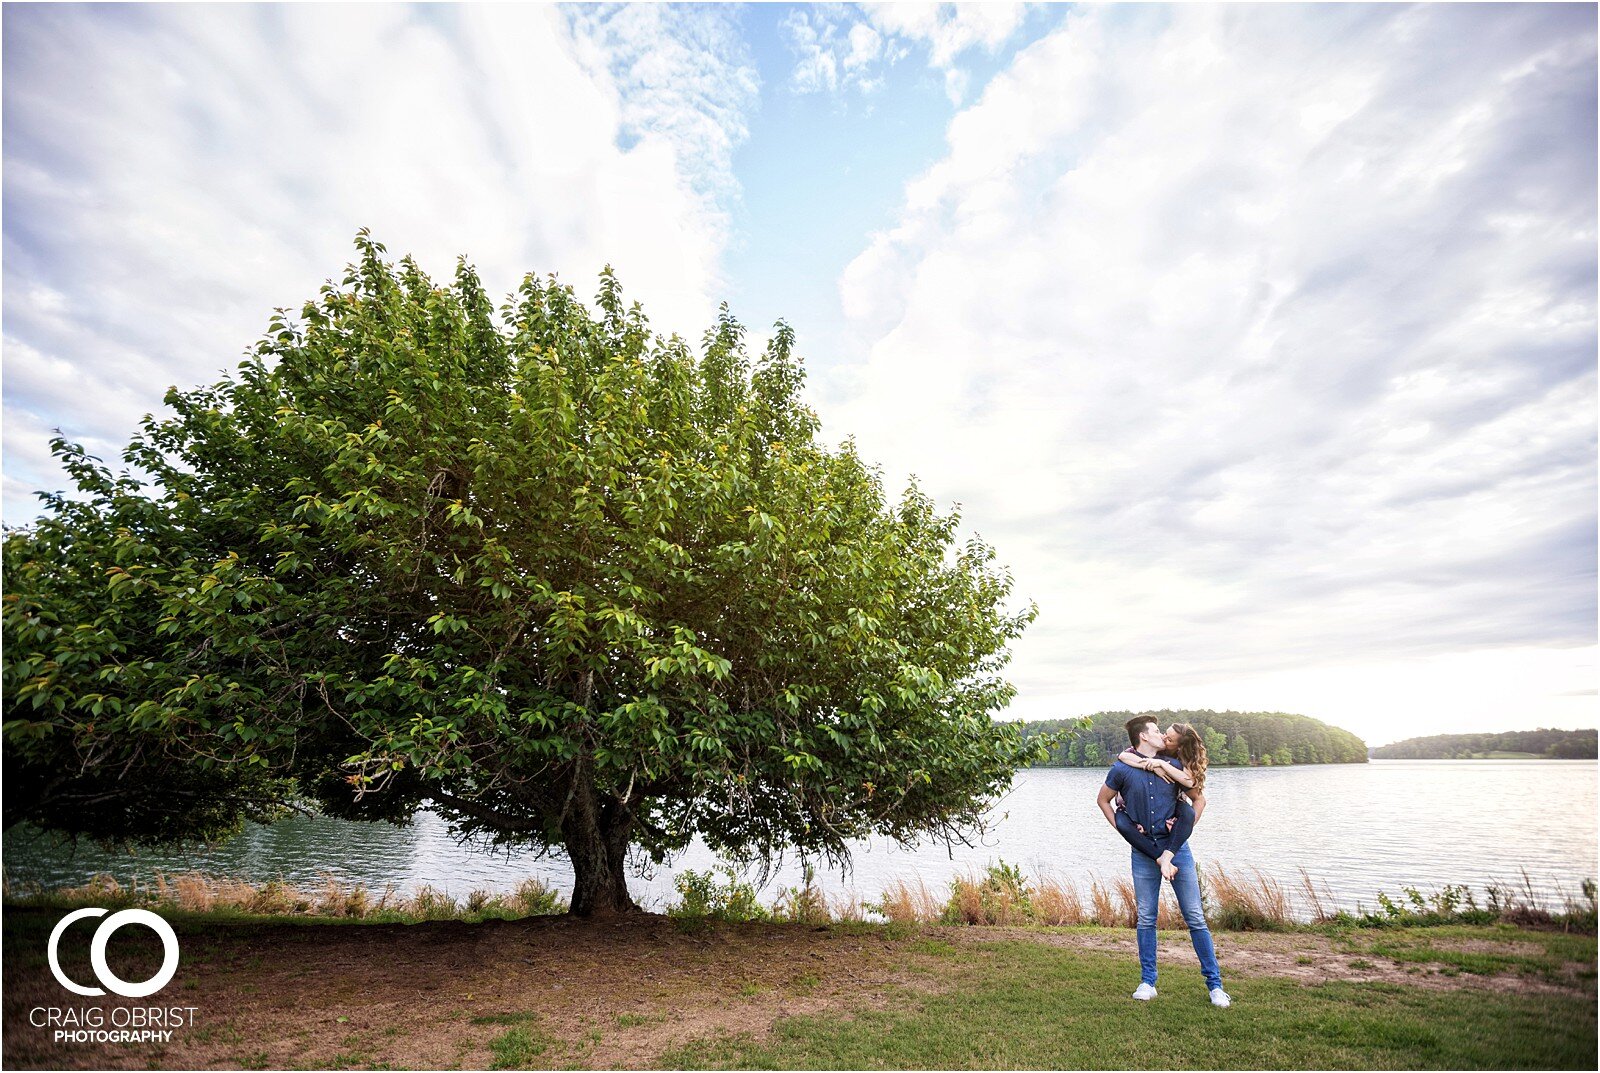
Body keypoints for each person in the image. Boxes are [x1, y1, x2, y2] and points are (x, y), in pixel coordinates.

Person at [1096, 716, 1230, 1007]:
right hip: (1143, 852)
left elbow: (1198, 801)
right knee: (1146, 918)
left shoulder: (1175, 767)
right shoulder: (1121, 769)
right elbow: (1103, 800)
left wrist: (1183, 831)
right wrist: (1122, 829)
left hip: (1176, 849)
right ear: (1143, 737)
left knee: (1195, 916)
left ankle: (1215, 986)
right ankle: (1148, 982)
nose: (1162, 735)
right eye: (1157, 731)